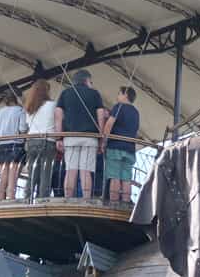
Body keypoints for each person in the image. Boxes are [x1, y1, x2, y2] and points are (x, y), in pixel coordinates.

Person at [54, 70, 106, 199]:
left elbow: (58, 116)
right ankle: (86, 199)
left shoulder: (65, 93)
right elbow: (100, 115)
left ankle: (67, 198)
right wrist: (101, 137)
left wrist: (58, 137)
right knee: (86, 171)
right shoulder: (95, 94)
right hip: (90, 138)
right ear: (87, 80)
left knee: (70, 170)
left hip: (70, 137)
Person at [100, 87, 139, 203]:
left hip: (115, 146)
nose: (117, 97)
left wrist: (103, 141)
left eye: (119, 94)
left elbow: (109, 125)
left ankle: (114, 202)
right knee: (126, 178)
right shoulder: (136, 112)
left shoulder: (119, 107)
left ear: (125, 95)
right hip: (130, 149)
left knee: (114, 176)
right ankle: (126, 202)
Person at [23, 82, 57, 200]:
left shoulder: (29, 108)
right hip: (47, 141)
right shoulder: (52, 105)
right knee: (45, 172)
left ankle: (27, 197)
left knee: (32, 172)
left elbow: (25, 126)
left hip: (32, 141)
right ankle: (42, 198)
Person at [0, 91, 28, 200]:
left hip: (2, 145)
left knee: (3, 178)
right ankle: (10, 200)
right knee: (13, 178)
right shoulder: (20, 111)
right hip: (16, 145)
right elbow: (22, 128)